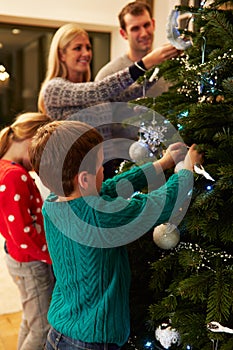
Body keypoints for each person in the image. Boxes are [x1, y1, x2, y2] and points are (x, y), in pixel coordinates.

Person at [29, 119, 203, 350]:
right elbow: (156, 205)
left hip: (62, 332)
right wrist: (187, 172)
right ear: (83, 179)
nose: (104, 171)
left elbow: (110, 186)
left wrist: (161, 164)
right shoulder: (99, 217)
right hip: (91, 341)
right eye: (101, 166)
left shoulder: (54, 203)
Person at [0, 112, 54, 350]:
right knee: (42, 328)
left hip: (21, 259)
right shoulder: (14, 176)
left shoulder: (5, 168)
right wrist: (51, 257)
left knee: (32, 322)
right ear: (31, 139)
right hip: (31, 263)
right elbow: (24, 234)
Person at [95, 1, 170, 98]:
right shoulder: (108, 75)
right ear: (123, 34)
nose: (143, 33)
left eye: (146, 25)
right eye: (135, 29)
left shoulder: (170, 67)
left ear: (153, 24)